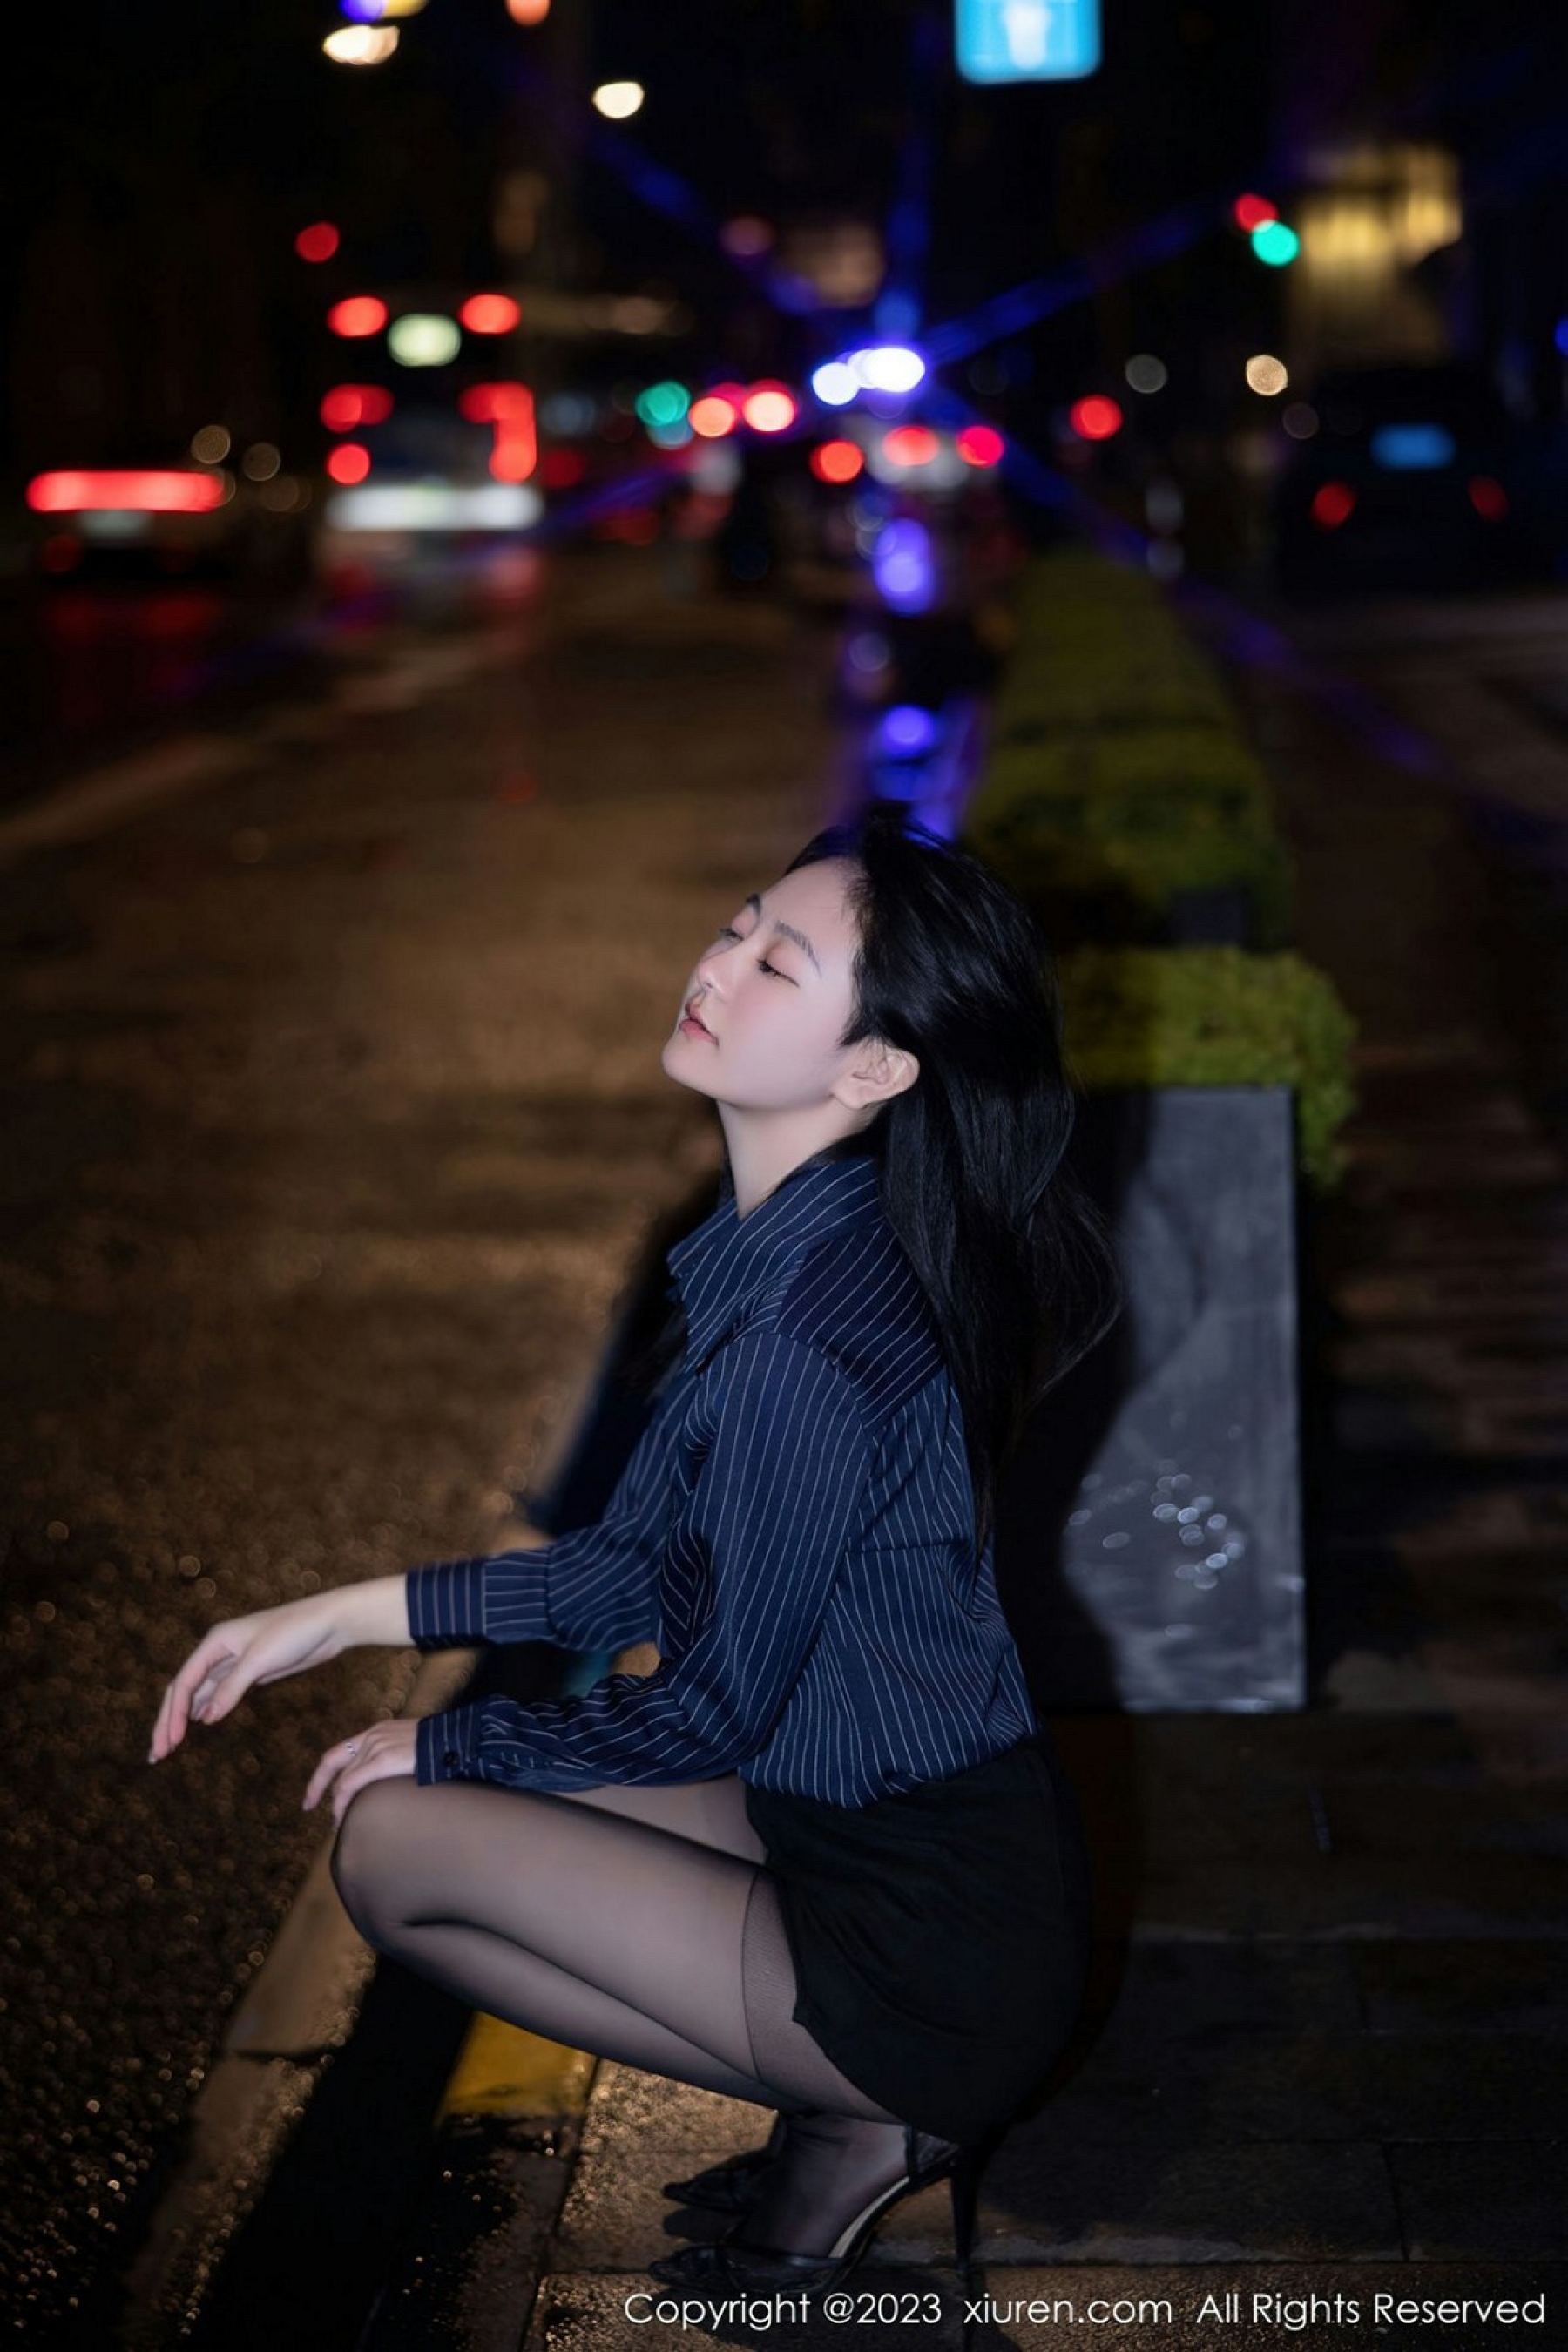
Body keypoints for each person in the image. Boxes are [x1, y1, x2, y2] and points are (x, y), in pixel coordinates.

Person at [147, 800, 1121, 2295]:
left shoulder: (809, 1331)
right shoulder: (799, 1241)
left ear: (874, 1068)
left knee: (396, 1842)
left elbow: (709, 1707)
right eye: (737, 927)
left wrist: (457, 1743)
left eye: (777, 966)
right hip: (866, 1833)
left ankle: (875, 2095)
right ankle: (846, 2101)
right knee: (421, 1803)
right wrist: (334, 1618)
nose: (715, 968)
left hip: (929, 1944)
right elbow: (629, 1570)